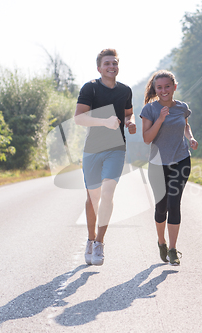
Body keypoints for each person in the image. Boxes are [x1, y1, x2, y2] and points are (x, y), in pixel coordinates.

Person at [74, 49, 136, 266]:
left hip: (116, 149)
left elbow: (128, 112)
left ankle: (100, 242)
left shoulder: (125, 90)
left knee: (107, 193)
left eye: (115, 63)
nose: (112, 66)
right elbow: (79, 118)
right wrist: (105, 122)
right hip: (93, 149)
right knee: (93, 197)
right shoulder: (90, 87)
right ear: (99, 68)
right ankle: (90, 240)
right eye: (107, 63)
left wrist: (130, 122)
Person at [140, 70, 198, 266]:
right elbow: (147, 138)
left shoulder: (182, 107)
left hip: (181, 160)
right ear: (155, 89)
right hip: (157, 164)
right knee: (161, 206)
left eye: (167, 87)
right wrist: (160, 120)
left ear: (174, 87)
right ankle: (161, 242)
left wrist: (190, 137)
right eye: (160, 87)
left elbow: (185, 126)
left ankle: (173, 249)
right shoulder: (150, 110)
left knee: (174, 203)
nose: (164, 90)